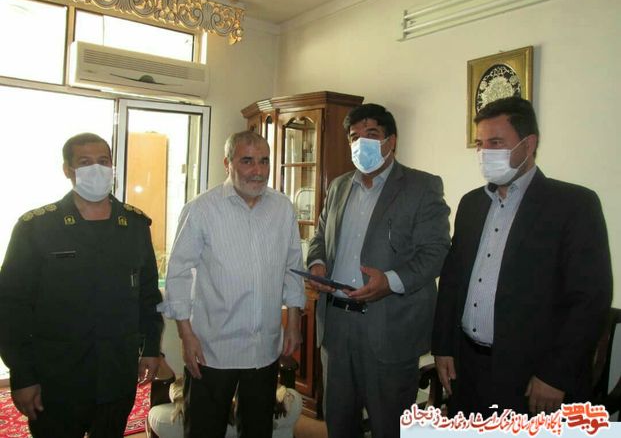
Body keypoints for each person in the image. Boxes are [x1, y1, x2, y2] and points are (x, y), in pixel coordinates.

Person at [432, 97, 613, 418]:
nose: (484, 153)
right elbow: (452, 280)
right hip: (468, 367)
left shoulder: (574, 205)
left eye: (496, 143)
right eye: (480, 144)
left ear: (529, 144)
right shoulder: (472, 204)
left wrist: (555, 375)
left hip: (533, 377)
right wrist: (443, 347)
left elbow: (590, 299)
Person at [0, 133, 163, 438]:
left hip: (116, 375)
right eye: (85, 162)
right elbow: (11, 308)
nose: (96, 169)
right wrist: (22, 375)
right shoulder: (36, 227)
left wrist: (152, 349)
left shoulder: (135, 226)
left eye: (103, 161)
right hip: (57, 378)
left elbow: (148, 295)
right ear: (68, 170)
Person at [306, 103, 451, 438]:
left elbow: (436, 252)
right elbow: (320, 237)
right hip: (336, 327)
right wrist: (317, 263)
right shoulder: (339, 186)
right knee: (339, 423)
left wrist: (390, 282)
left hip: (389, 325)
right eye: (354, 137)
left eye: (371, 134)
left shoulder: (421, 186)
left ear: (391, 141)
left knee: (390, 426)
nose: (361, 143)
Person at [159, 130, 306, 438]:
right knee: (204, 430)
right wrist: (186, 335)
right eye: (247, 161)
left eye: (264, 161)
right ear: (227, 163)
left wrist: (293, 323)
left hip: (264, 348)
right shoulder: (201, 209)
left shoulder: (282, 208)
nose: (258, 170)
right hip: (212, 349)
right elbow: (178, 274)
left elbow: (293, 268)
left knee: (257, 429)